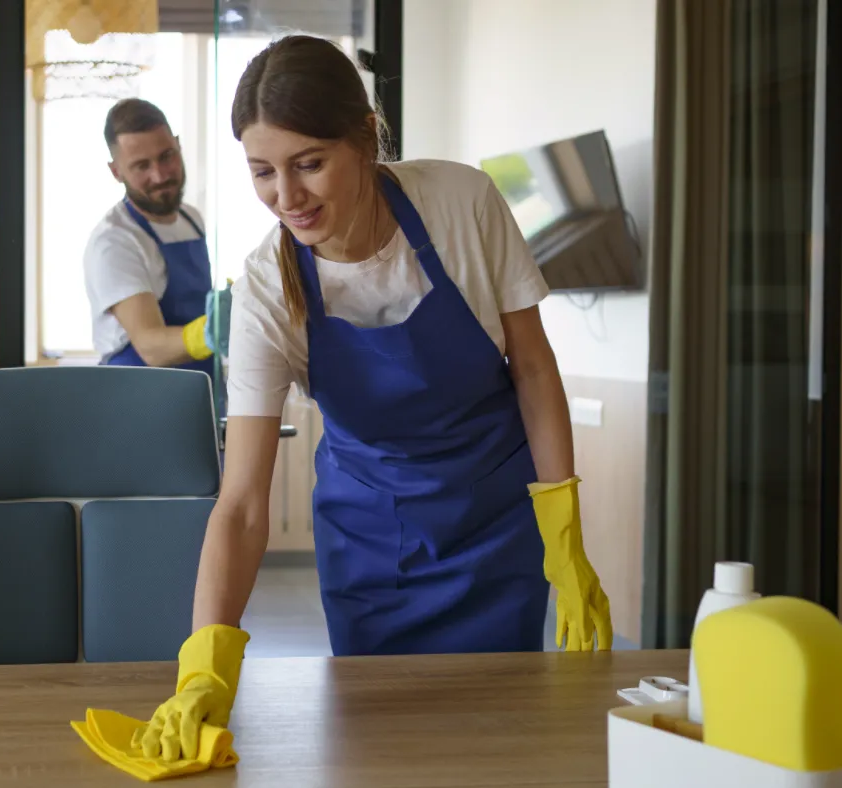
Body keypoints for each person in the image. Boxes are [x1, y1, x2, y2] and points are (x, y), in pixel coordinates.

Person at [129, 36, 614, 760]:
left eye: (309, 164)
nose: (285, 198)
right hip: (370, 544)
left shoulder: (459, 203)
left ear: (364, 136)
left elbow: (533, 369)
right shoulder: (266, 289)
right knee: (382, 749)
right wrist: (203, 665)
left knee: (498, 744)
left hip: (495, 525)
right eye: (262, 172)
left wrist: (564, 536)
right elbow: (243, 505)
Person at [83, 98, 232, 401]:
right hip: (138, 402)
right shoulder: (115, 242)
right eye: (141, 166)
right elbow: (150, 345)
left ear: (177, 145)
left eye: (167, 156)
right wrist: (214, 331)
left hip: (199, 391)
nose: (160, 175)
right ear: (116, 171)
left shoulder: (192, 219)